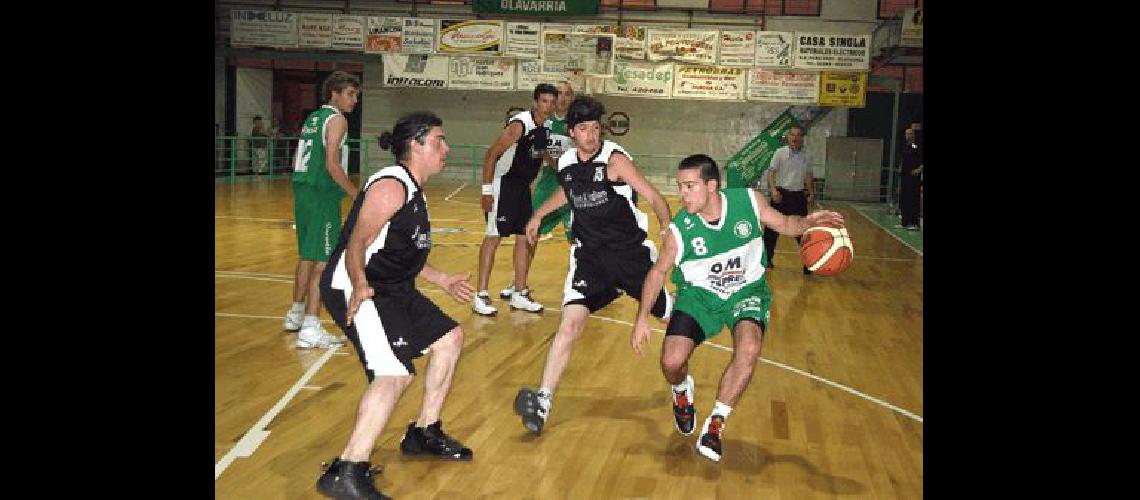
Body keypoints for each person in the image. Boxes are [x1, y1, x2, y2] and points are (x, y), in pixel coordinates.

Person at [631, 154, 844, 462]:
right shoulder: (680, 230)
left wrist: (808, 221)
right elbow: (656, 273)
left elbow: (785, 223)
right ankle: (681, 392)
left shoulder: (748, 201)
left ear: (712, 185)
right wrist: (641, 319)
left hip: (747, 290)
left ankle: (716, 423)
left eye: (690, 186)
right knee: (671, 362)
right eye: (680, 186)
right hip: (700, 296)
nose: (682, 193)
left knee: (750, 347)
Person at [315, 112, 475, 500]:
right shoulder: (391, 186)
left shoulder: (414, 190)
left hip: (394, 289)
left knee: (449, 339)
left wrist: (442, 279)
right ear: (416, 144)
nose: (446, 148)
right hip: (359, 289)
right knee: (394, 374)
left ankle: (423, 432)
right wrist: (359, 285)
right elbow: (357, 242)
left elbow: (399, 252)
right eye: (439, 140)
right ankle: (347, 470)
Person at [514, 95, 675, 435]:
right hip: (590, 258)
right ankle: (543, 400)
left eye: (596, 128)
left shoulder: (615, 160)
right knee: (569, 325)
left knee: (672, 320)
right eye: (584, 128)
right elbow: (567, 192)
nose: (591, 134)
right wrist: (538, 214)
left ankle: (680, 386)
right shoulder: (568, 162)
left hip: (630, 256)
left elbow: (654, 196)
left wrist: (665, 226)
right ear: (572, 132)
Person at [283, 71, 360, 349]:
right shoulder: (336, 119)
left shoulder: (313, 118)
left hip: (303, 189)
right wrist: (356, 194)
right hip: (322, 193)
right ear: (334, 93)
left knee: (307, 256)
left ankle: (295, 313)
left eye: (356, 95)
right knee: (322, 262)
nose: (354, 100)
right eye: (350, 94)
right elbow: (332, 164)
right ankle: (311, 326)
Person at [472, 84, 559, 316]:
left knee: (525, 238)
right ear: (535, 102)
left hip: (522, 188)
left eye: (551, 102)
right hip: (504, 185)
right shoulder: (519, 125)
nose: (547, 106)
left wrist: (562, 168)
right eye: (544, 101)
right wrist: (487, 190)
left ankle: (519, 293)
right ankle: (480, 294)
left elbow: (542, 153)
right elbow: (491, 154)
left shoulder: (546, 126)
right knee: (493, 237)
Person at [500, 79, 576, 300]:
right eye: (558, 94)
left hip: (571, 187)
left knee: (579, 240)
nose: (562, 98)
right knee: (528, 233)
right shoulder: (542, 122)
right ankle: (518, 282)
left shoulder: (577, 123)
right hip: (548, 186)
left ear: (571, 97)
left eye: (567, 94)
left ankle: (579, 286)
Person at [761, 125, 815, 275]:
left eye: (798, 135)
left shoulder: (807, 155)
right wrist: (773, 190)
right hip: (781, 195)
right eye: (792, 135)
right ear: (788, 137)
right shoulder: (780, 153)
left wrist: (811, 192)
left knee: (803, 232)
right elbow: (771, 173)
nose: (795, 138)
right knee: (771, 231)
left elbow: (808, 176)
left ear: (802, 139)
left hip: (798, 196)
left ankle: (808, 263)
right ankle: (767, 260)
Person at [897, 124, 923, 231]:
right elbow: (903, 160)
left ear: (914, 135)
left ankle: (914, 223)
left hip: (914, 178)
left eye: (910, 134)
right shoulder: (905, 146)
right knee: (904, 199)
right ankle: (905, 222)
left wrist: (919, 169)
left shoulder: (917, 146)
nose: (908, 135)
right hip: (905, 177)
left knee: (913, 200)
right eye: (906, 134)